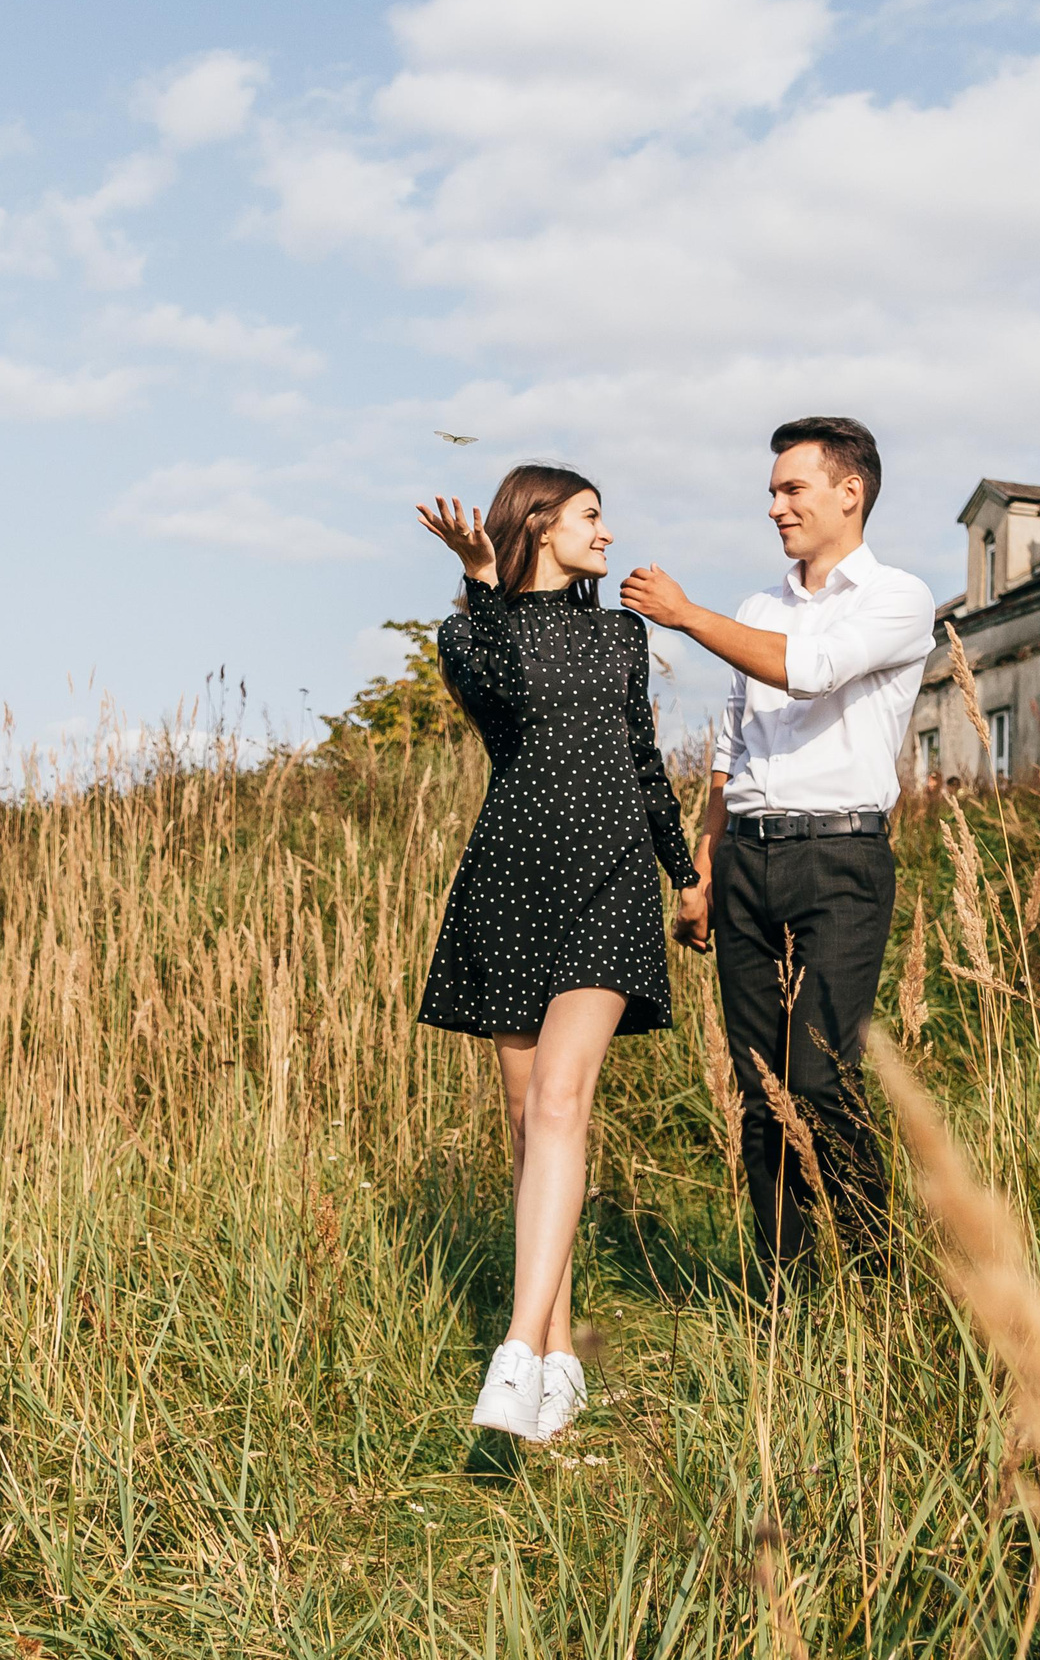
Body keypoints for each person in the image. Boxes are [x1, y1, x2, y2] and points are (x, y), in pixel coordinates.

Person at [416, 464, 700, 1441]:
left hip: (611, 880)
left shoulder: (621, 635)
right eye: (590, 516)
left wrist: (683, 871)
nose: (607, 533)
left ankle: (516, 1347)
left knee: (561, 1099)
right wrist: (481, 581)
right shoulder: (468, 634)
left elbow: (642, 760)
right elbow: (498, 695)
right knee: (529, 1125)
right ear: (538, 524)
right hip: (513, 882)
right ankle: (561, 1356)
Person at [620, 417, 935, 1267]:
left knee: (821, 1080)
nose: (775, 507)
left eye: (792, 488)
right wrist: (703, 865)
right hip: (747, 859)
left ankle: (875, 1278)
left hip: (840, 860)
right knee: (762, 1092)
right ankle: (780, 1295)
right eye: (772, 491)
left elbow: (812, 668)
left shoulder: (898, 597)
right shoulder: (760, 608)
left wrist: (685, 615)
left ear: (849, 492)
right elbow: (731, 746)